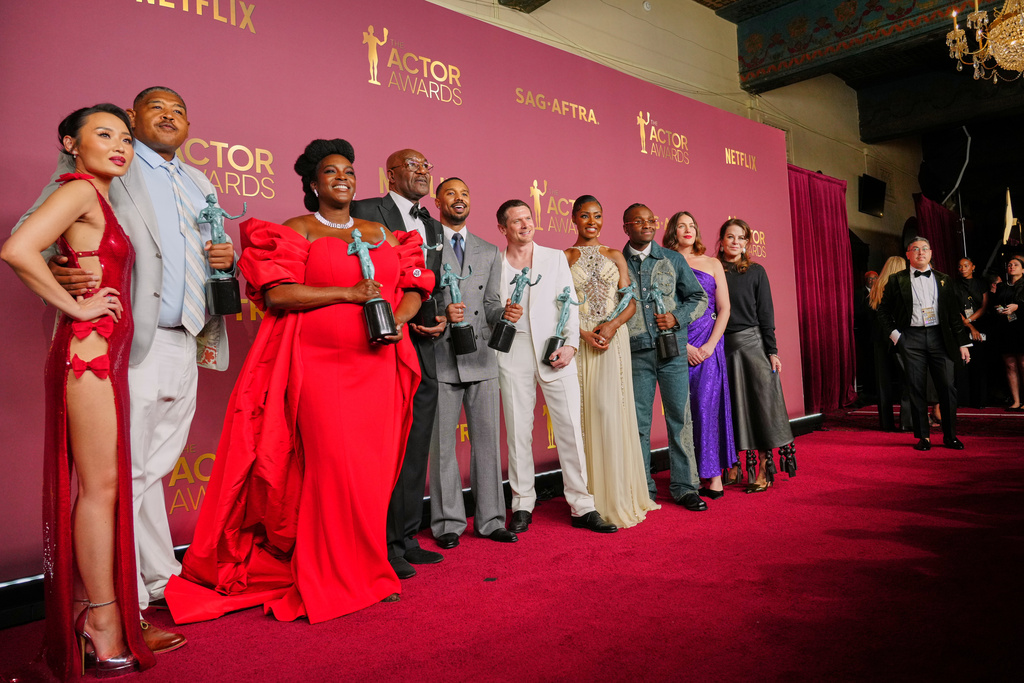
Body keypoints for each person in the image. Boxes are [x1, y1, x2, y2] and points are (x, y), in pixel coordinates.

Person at [164, 138, 434, 623]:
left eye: (349, 170)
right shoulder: (297, 230)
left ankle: (370, 570)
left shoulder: (384, 231)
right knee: (332, 469)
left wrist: (397, 317)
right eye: (330, 172)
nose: (343, 177)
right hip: (321, 366)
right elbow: (280, 295)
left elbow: (413, 286)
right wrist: (349, 293)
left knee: (372, 476)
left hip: (379, 365)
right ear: (312, 183)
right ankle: (331, 576)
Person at [13, 86, 226, 653]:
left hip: (189, 335)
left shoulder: (200, 182)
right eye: (153, 109)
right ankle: (119, 609)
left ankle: (146, 588)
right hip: (123, 342)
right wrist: (66, 280)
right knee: (115, 480)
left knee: (148, 471)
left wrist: (220, 256)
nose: (169, 116)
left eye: (180, 109)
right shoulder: (101, 177)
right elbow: (34, 237)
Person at [3, 105, 155, 679]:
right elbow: (17, 248)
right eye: (103, 134)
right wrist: (74, 305)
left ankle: (99, 616)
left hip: (102, 356)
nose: (120, 146)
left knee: (104, 488)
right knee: (101, 489)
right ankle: (101, 621)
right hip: (87, 355)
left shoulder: (100, 196)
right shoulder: (77, 191)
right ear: (71, 142)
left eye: (125, 138)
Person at [352, 149, 447, 580]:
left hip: (422, 343)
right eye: (413, 165)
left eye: (427, 165)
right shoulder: (366, 210)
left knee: (416, 441)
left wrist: (439, 318)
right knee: (381, 443)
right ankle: (379, 543)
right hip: (378, 338)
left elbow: (431, 283)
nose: (423, 171)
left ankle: (406, 538)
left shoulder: (432, 224)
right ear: (390, 174)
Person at [494, 200, 617, 534]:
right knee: (518, 430)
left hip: (555, 348)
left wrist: (571, 344)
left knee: (570, 430)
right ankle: (522, 504)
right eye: (516, 221)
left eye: (528, 218)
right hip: (512, 350)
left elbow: (570, 302)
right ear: (503, 229)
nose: (525, 224)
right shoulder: (495, 263)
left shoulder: (555, 257)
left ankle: (582, 505)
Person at [428, 177, 516, 548]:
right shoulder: (424, 245)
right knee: (442, 446)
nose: (459, 199)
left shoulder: (489, 250)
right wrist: (440, 310)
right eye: (451, 193)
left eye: (464, 193)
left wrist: (504, 314)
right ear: (437, 201)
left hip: (481, 356)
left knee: (487, 443)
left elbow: (491, 303)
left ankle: (492, 519)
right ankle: (448, 523)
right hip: (441, 356)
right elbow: (414, 297)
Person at [565, 195, 658, 528]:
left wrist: (613, 325)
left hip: (613, 340)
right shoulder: (564, 258)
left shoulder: (615, 255)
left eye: (598, 216)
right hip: (582, 342)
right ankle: (588, 501)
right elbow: (559, 307)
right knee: (586, 416)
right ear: (574, 218)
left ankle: (618, 493)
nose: (592, 221)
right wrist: (583, 332)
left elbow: (630, 303)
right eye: (585, 216)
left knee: (612, 413)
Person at [621, 203, 709, 510]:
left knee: (679, 419)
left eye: (651, 221)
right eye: (639, 221)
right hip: (635, 355)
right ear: (626, 228)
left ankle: (685, 486)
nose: (647, 225)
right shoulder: (617, 263)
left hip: (672, 353)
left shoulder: (672, 259)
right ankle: (643, 488)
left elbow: (700, 297)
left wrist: (676, 317)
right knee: (638, 424)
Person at [717, 218, 796, 492]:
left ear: (747, 243)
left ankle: (763, 467)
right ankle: (733, 465)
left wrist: (772, 351)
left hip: (753, 344)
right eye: (730, 237)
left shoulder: (756, 271)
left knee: (760, 408)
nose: (736, 242)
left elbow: (766, 314)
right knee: (728, 409)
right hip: (720, 347)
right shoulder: (713, 270)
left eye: (741, 238)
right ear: (722, 240)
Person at [664, 211, 736, 499]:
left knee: (707, 408)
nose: (688, 230)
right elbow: (661, 308)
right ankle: (688, 477)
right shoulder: (665, 262)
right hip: (677, 342)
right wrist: (685, 347)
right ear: (672, 231)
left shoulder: (712, 263)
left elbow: (725, 309)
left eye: (692, 225)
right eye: (681, 226)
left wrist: (709, 346)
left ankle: (715, 475)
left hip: (709, 345)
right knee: (682, 413)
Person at [877, 237, 970, 450]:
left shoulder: (944, 279)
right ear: (908, 254)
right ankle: (923, 437)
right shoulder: (896, 279)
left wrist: (963, 343)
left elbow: (954, 315)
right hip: (911, 338)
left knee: (947, 387)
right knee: (916, 388)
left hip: (940, 337)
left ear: (931, 253)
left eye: (925, 249)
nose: (921, 252)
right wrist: (896, 336)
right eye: (915, 249)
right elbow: (883, 311)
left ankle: (950, 436)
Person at [868, 257, 912, 432]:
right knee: (908, 379)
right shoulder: (899, 285)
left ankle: (885, 423)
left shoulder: (876, 286)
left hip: (879, 339)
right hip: (897, 336)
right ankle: (906, 421)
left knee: (883, 383)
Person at [990, 255, 1024, 410]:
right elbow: (995, 303)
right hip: (1005, 328)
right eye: (1009, 265)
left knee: (1023, 364)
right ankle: (1016, 401)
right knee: (1010, 365)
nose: (1012, 267)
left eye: (1015, 264)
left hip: (1022, 327)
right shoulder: (1002, 286)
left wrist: (1017, 307)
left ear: (1023, 269)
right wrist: (999, 309)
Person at [955, 257, 989, 408]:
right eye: (960, 266)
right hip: (961, 326)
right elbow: (954, 308)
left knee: (980, 363)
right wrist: (968, 324)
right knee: (963, 364)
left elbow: (984, 305)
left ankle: (980, 400)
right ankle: (963, 400)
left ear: (973, 267)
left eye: (966, 265)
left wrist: (971, 322)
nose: (963, 268)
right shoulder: (954, 284)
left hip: (980, 324)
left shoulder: (980, 283)